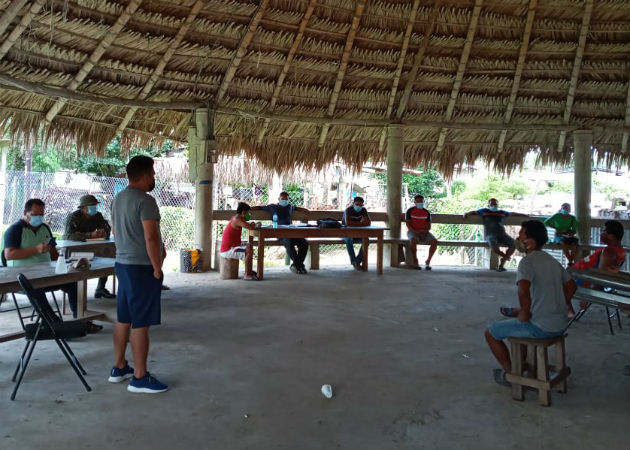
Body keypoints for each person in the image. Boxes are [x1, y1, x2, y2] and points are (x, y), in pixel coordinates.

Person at [484, 220, 577, 386]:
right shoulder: (551, 260)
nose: (518, 237)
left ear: (530, 241)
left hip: (541, 328)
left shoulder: (526, 263)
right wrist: (559, 304)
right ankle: (520, 366)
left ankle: (511, 374)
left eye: (521, 234)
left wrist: (525, 312)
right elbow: (571, 286)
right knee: (518, 325)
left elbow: (523, 289)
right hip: (561, 324)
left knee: (491, 333)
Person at [109, 155, 168, 394]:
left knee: (124, 318)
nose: (154, 178)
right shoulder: (146, 201)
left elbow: (115, 230)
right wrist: (156, 267)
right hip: (141, 268)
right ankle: (140, 377)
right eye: (152, 174)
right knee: (141, 323)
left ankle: (119, 366)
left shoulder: (118, 199)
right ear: (144, 176)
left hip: (122, 264)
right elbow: (151, 237)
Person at [3, 198, 103, 333]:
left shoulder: (44, 228)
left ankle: (82, 321)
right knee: (36, 291)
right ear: (25, 213)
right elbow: (9, 255)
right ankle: (56, 327)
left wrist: (62, 260)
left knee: (72, 283)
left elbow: (54, 253)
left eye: (41, 214)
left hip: (46, 274)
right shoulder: (15, 230)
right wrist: (36, 249)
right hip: (23, 279)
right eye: (35, 214)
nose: (39, 217)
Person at [63, 194, 115, 298]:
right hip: (76, 249)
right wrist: (90, 235)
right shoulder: (73, 217)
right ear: (84, 208)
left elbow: (107, 228)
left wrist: (103, 232)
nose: (95, 208)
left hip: (95, 246)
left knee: (108, 257)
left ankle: (101, 288)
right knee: (78, 267)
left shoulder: (98, 216)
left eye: (95, 205)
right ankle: (76, 293)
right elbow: (67, 236)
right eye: (92, 206)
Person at [463, 198, 528, 272]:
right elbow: (474, 212)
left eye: (495, 204)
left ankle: (502, 264)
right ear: (488, 205)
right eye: (492, 204)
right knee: (494, 247)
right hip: (490, 235)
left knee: (513, 245)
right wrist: (466, 213)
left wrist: (524, 215)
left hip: (502, 234)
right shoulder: (484, 211)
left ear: (497, 205)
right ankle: (504, 256)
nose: (494, 205)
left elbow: (512, 213)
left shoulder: (501, 212)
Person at [253, 191, 310, 274]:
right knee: (289, 242)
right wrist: (248, 209)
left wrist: (305, 210)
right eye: (283, 199)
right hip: (279, 233)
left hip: (291, 232)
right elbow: (260, 208)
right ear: (279, 199)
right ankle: (299, 266)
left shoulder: (290, 207)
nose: (285, 200)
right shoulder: (272, 207)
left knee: (304, 243)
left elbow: (297, 208)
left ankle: (297, 265)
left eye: (286, 199)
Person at [220, 202, 258, 280]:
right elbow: (250, 227)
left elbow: (249, 225)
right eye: (248, 213)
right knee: (248, 250)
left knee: (249, 247)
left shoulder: (238, 218)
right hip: (228, 250)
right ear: (243, 212)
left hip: (232, 247)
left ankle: (249, 271)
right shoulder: (237, 219)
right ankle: (247, 274)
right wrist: (256, 225)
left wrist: (252, 224)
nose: (249, 215)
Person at [405, 195, 438, 270]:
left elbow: (429, 226)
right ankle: (415, 261)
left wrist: (424, 232)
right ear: (414, 202)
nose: (420, 203)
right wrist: (416, 232)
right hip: (413, 232)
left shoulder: (426, 212)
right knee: (413, 240)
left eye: (421, 201)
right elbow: (408, 224)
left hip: (425, 232)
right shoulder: (409, 211)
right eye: (418, 201)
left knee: (434, 241)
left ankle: (428, 261)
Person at [342, 196, 371, 271]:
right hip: (345, 233)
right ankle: (353, 260)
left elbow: (369, 222)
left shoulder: (363, 210)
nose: (359, 206)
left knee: (367, 241)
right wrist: (362, 223)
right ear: (353, 204)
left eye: (361, 205)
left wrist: (355, 224)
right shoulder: (348, 210)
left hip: (358, 233)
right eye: (357, 204)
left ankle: (357, 261)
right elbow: (348, 223)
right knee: (349, 240)